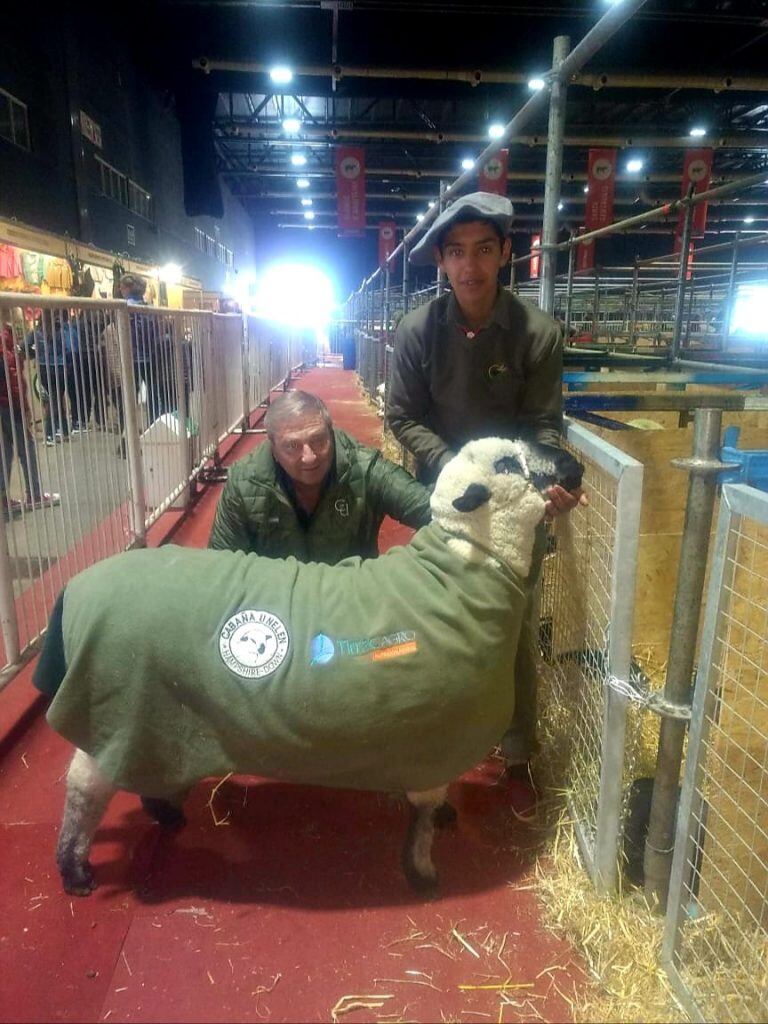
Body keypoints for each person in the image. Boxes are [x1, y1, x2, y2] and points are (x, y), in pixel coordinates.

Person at [387, 191, 587, 777]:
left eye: (482, 250)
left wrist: (553, 483)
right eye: (455, 253)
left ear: (504, 253)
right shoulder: (417, 330)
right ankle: (441, 734)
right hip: (442, 500)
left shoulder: (538, 334)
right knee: (438, 614)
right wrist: (455, 473)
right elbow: (401, 417)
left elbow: (543, 426)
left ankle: (519, 746)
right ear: (442, 262)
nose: (469, 266)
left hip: (511, 505)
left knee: (514, 622)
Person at [209, 390, 432, 562]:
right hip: (275, 607)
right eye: (292, 446)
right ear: (273, 449)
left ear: (331, 433)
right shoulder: (243, 483)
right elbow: (219, 568)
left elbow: (429, 509)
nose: (310, 457)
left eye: (319, 440)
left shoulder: (364, 467)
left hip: (347, 601)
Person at [0, 323, 60, 517]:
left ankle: (4, 498)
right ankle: (34, 493)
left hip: (5, 406)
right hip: (10, 405)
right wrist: (23, 408)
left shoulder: (8, 351)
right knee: (28, 447)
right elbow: (14, 384)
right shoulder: (7, 352)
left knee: (7, 450)